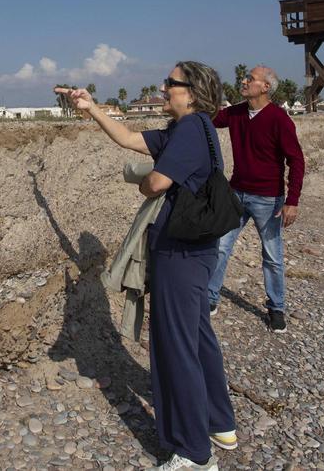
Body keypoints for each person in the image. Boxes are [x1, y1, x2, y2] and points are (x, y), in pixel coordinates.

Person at [56, 60, 236, 471]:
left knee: (175, 348)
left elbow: (157, 183)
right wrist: (92, 108)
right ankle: (218, 423)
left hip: (180, 253)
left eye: (170, 83)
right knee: (197, 337)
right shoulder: (193, 127)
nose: (163, 86)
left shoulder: (189, 128)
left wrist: (143, 183)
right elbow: (129, 138)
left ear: (190, 92)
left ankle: (192, 452)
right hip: (196, 250)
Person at [208, 65, 305, 333]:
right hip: (236, 193)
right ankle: (209, 299)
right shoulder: (237, 112)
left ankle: (276, 309)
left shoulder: (279, 119)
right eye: (245, 76)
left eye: (250, 78)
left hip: (269, 200)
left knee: (272, 257)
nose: (244, 80)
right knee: (220, 247)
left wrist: (292, 200)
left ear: (265, 87)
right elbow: (211, 118)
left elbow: (296, 160)